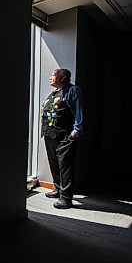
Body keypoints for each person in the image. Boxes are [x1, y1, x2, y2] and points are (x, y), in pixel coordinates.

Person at [41, 68, 84, 209]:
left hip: (64, 136)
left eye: (53, 75)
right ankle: (59, 189)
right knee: (54, 163)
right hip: (50, 135)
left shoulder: (73, 90)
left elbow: (79, 111)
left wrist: (76, 131)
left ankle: (66, 198)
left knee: (65, 165)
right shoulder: (54, 92)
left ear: (63, 78)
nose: (50, 78)